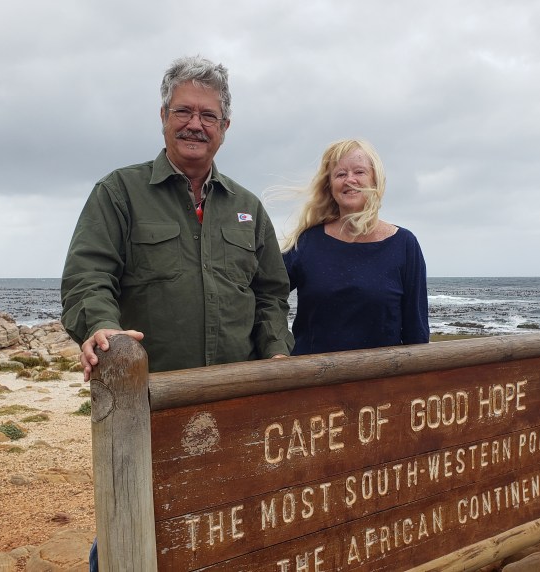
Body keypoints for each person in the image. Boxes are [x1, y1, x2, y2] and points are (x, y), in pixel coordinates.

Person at [60, 55, 293, 571]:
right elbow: (87, 275)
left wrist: (277, 353)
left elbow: (272, 295)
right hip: (143, 403)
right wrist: (101, 325)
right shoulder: (118, 193)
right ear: (163, 116)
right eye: (184, 111)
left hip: (234, 403)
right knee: (132, 522)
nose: (195, 124)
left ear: (225, 127)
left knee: (225, 519)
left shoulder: (248, 207)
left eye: (208, 115)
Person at [281, 139, 429, 354]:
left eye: (359, 172)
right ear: (330, 186)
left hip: (380, 374)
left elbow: (416, 333)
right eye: (340, 174)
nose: (350, 180)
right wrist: (277, 347)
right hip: (312, 374)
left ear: (375, 180)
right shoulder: (306, 242)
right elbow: (267, 296)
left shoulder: (405, 244)